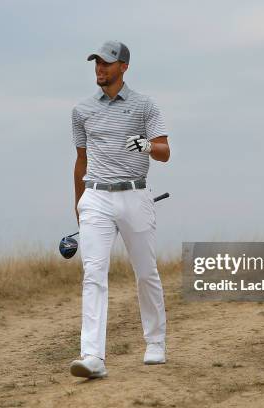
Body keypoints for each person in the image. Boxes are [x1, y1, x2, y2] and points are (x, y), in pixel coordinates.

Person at [70, 41, 170, 378]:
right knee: (93, 274)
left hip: (135, 195)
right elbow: (80, 160)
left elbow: (164, 151)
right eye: (97, 63)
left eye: (107, 63)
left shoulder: (145, 106)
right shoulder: (82, 110)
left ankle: (155, 341)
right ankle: (92, 356)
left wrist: (146, 144)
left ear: (123, 67)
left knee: (145, 272)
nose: (100, 69)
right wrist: (78, 202)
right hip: (96, 197)